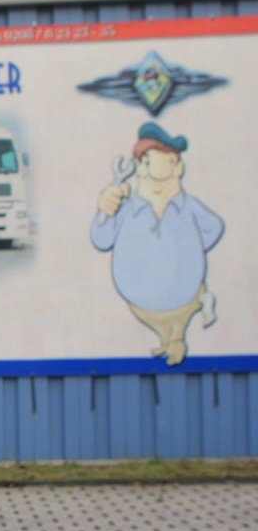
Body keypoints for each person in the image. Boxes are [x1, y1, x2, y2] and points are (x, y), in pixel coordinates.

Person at [91, 123, 224, 366]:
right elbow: (101, 238)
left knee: (182, 310)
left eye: (152, 159)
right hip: (141, 305)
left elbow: (214, 228)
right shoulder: (128, 209)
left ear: (177, 166)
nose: (145, 167)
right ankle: (170, 338)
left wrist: (187, 250)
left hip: (183, 298)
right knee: (170, 320)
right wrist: (105, 211)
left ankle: (179, 334)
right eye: (143, 162)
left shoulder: (188, 207)